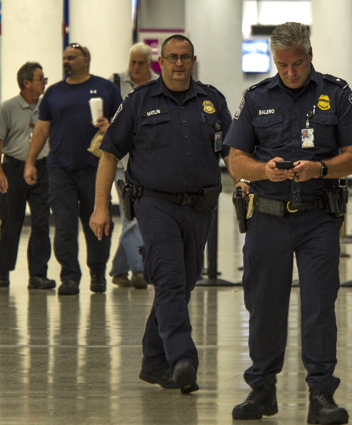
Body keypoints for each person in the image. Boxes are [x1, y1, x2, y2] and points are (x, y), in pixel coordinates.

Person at [225, 22, 352, 424]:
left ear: (310, 54)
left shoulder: (336, 93)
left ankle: (321, 394)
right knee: (264, 305)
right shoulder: (256, 97)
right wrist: (262, 170)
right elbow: (235, 160)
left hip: (318, 218)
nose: (290, 72)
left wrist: (320, 168)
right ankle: (262, 389)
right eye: (282, 65)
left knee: (319, 305)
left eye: (297, 63)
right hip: (267, 217)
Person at [90, 34, 231, 395]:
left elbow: (233, 151)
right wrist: (101, 206)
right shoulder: (139, 101)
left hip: (199, 207)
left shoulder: (212, 101)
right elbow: (109, 154)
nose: (179, 63)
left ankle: (153, 361)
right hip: (154, 205)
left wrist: (247, 181)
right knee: (168, 279)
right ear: (161, 62)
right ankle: (182, 359)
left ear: (193, 61)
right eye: (172, 57)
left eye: (185, 57)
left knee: (183, 283)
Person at [25, 42, 121, 296]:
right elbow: (42, 129)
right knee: (64, 226)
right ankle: (69, 277)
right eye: (65, 57)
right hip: (59, 169)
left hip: (95, 169)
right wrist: (30, 161)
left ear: (85, 60)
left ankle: (97, 272)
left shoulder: (106, 88)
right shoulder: (53, 93)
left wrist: (110, 126)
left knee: (98, 222)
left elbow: (124, 124)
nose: (66, 61)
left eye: (71, 57)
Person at [0, 63, 56, 289]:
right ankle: (3, 272)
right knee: (11, 221)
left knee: (41, 222)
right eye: (40, 78)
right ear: (26, 83)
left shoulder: (47, 108)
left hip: (41, 169)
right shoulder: (8, 108)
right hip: (13, 169)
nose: (44, 82)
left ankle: (38, 274)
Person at [108, 42, 159, 289]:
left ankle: (118, 269)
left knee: (138, 216)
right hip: (122, 162)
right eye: (132, 62)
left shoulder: (159, 85)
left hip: (149, 162)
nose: (135, 68)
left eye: (140, 63)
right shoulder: (115, 83)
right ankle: (139, 270)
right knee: (130, 216)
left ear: (149, 64)